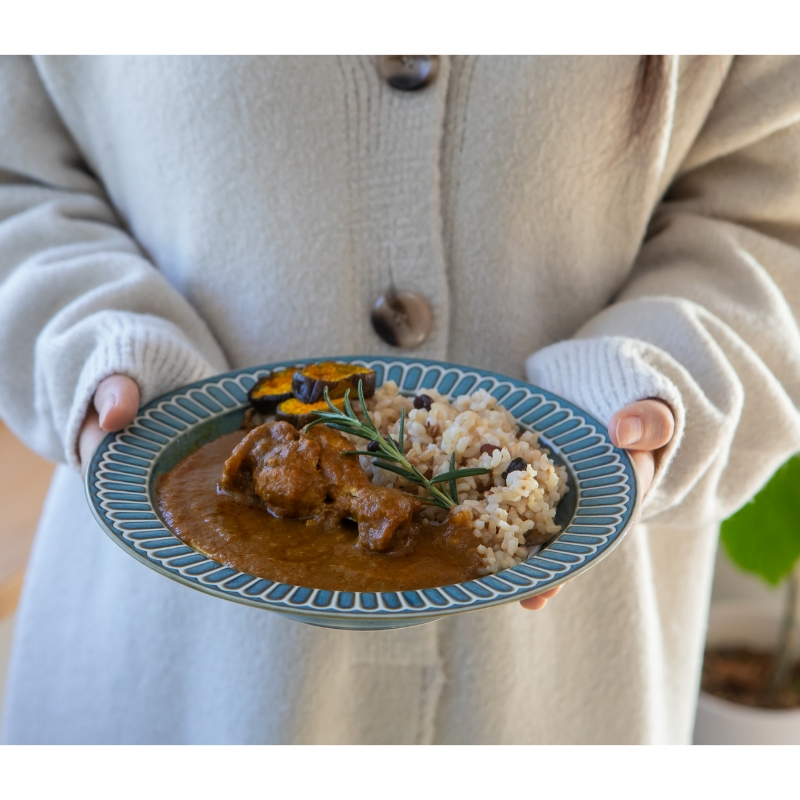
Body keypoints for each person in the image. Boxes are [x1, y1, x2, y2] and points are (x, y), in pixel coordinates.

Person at [0, 55, 798, 744]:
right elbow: (17, 178)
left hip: (561, 682)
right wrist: (92, 335)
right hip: (169, 667)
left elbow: (768, 212)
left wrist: (652, 374)